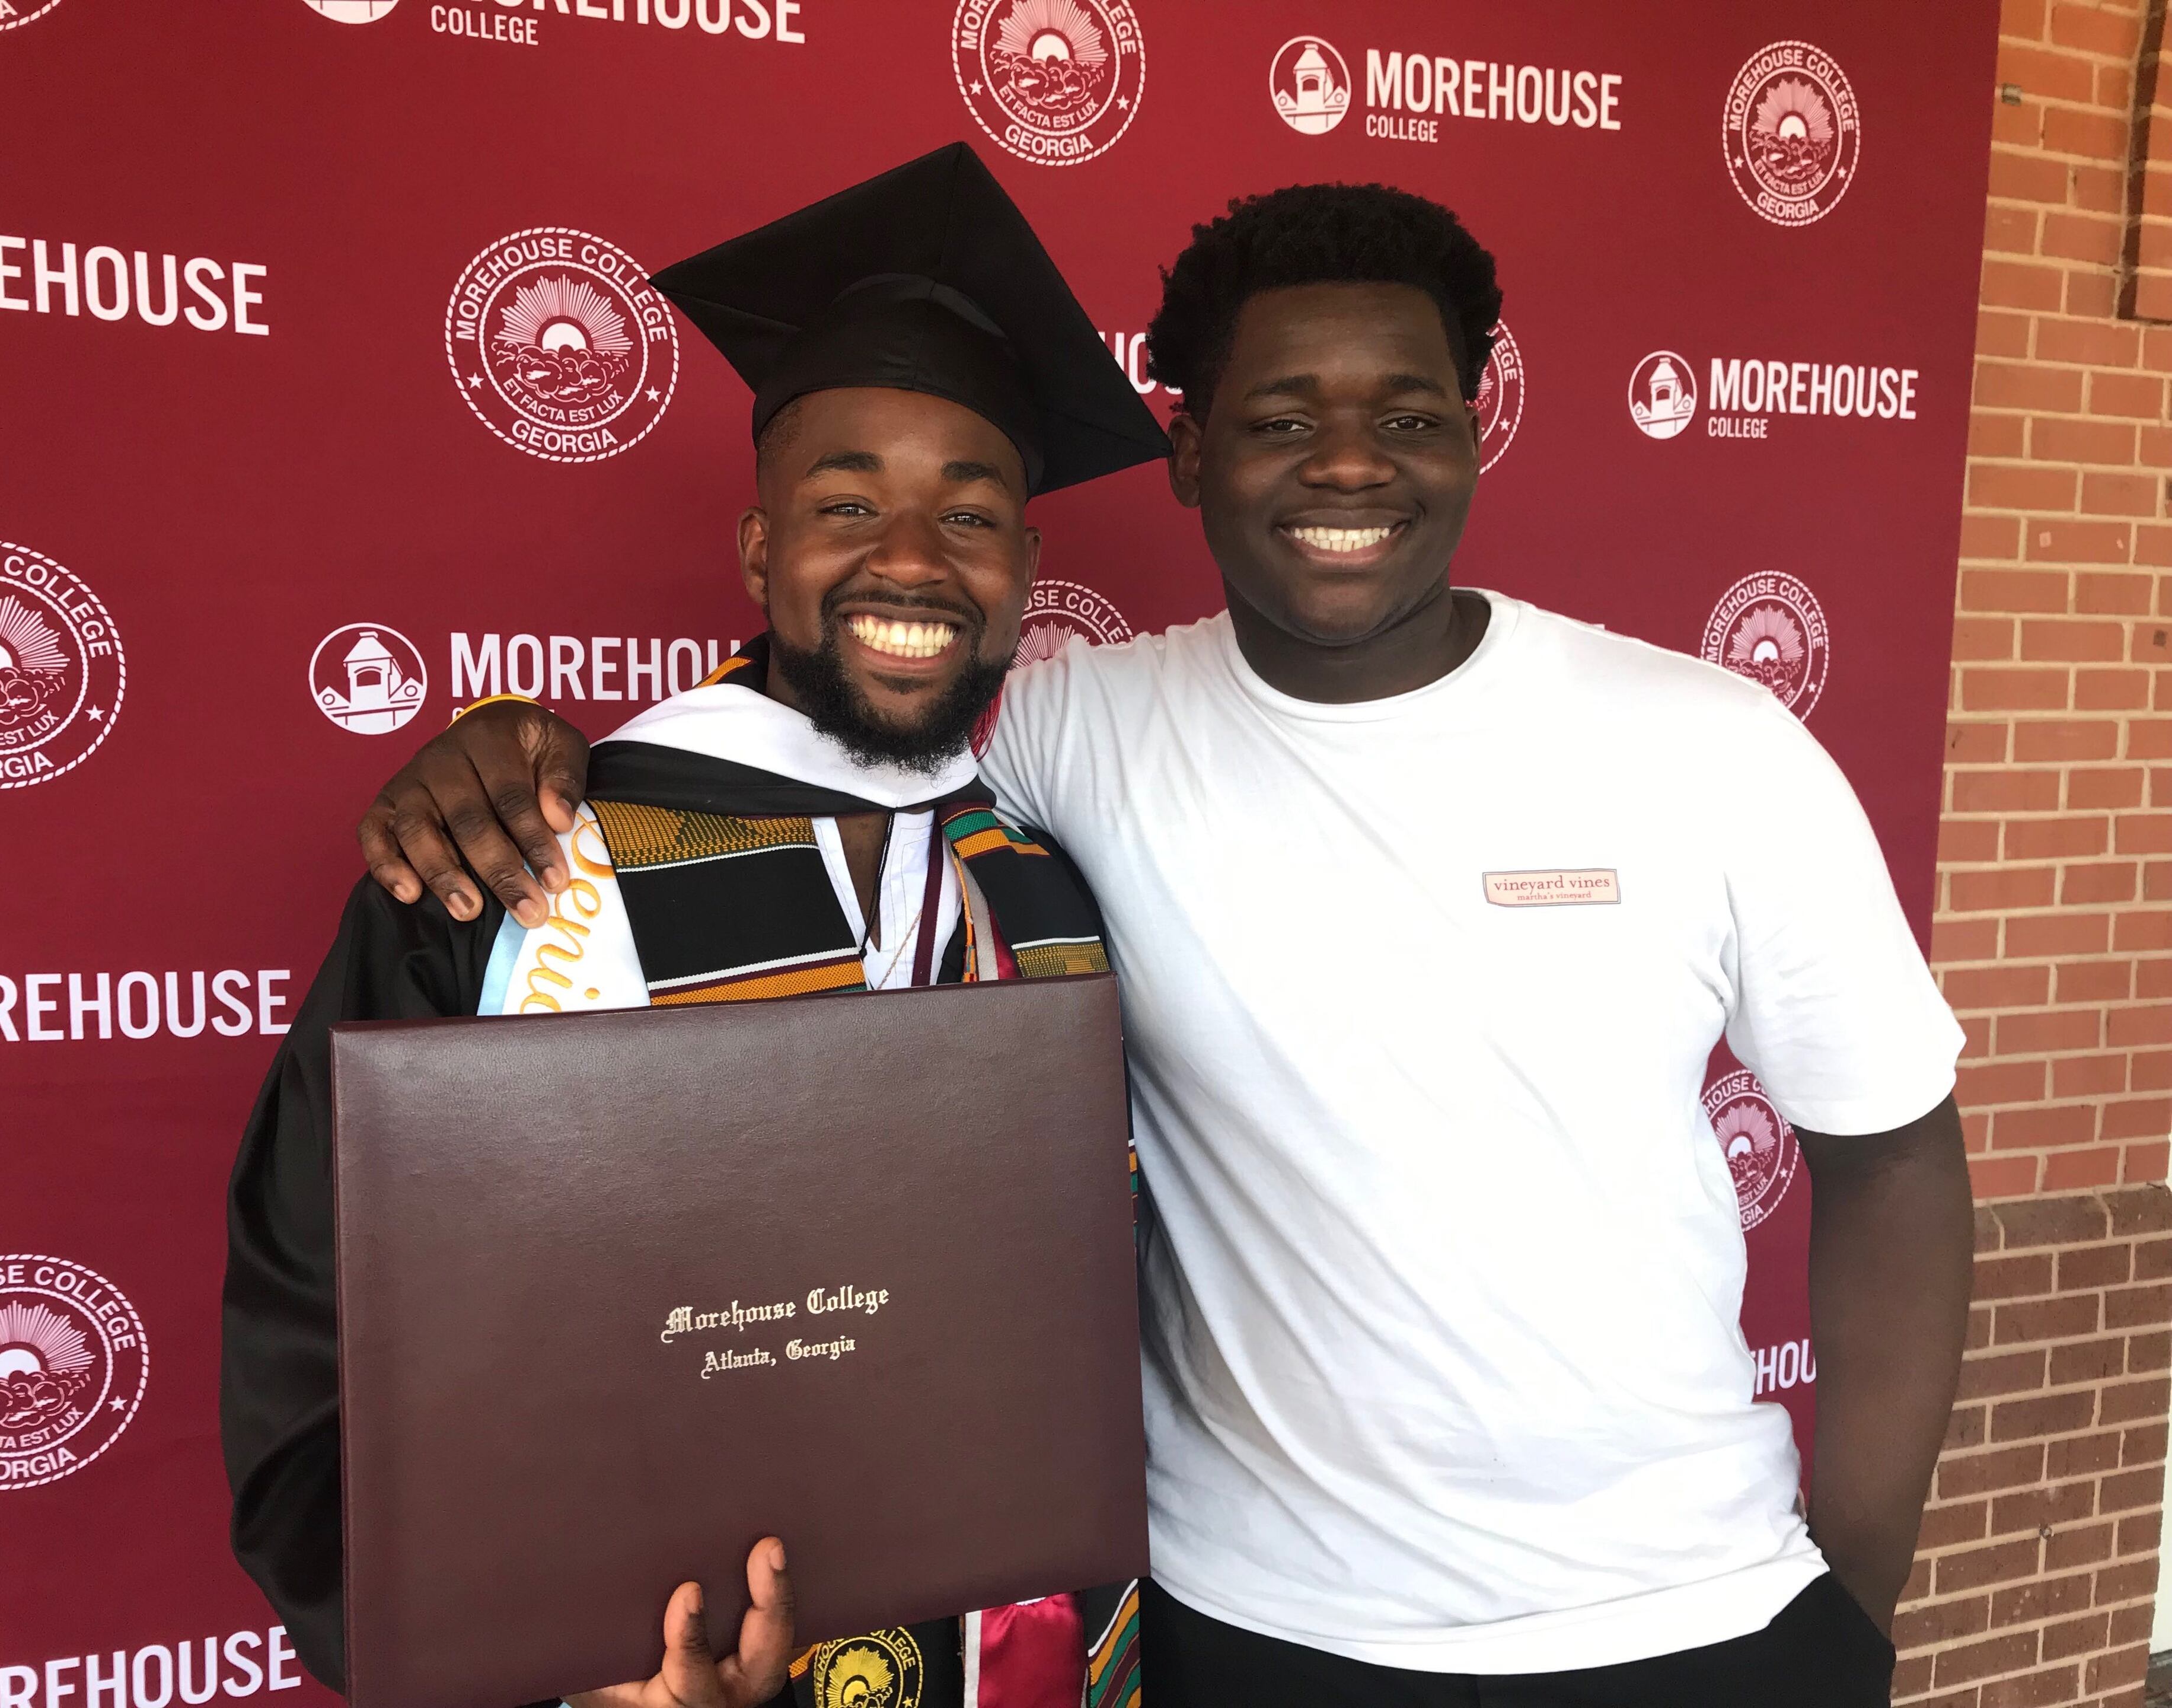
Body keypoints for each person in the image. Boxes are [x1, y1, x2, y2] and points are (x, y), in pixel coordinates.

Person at [349, 181, 1973, 1707]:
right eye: (1279, 420)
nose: (1350, 466)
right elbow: (826, 733)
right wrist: (521, 748)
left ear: (1474, 436)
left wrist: (1857, 1609)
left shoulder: (1711, 746)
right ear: (1189, 457)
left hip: (1684, 1616)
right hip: (1237, 1629)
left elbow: (1895, 1161)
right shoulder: (1077, 731)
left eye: (1409, 416)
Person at [220, 144, 1165, 1708]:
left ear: (1024, 571)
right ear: (757, 550)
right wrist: (555, 1664)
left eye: (969, 515)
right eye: (846, 501)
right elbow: (317, 1347)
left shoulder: (1055, 879)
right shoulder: (520, 869)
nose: (911, 561)